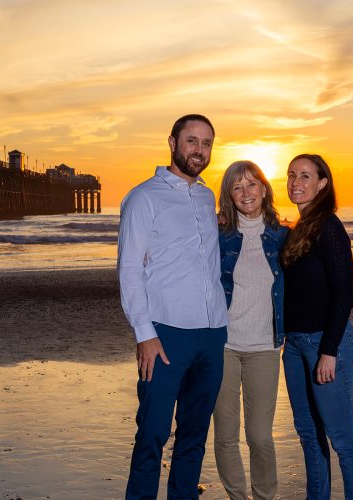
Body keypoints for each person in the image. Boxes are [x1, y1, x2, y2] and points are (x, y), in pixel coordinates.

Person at [117, 114, 228, 500]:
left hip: (213, 334)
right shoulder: (143, 197)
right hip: (165, 333)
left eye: (207, 143)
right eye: (192, 141)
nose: (199, 150)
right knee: (152, 433)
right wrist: (144, 335)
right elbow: (130, 269)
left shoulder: (206, 196)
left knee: (194, 436)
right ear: (172, 142)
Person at [281, 154, 353, 499]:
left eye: (305, 176)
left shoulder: (329, 227)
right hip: (294, 347)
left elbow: (344, 296)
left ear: (322, 183)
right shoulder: (297, 230)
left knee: (343, 438)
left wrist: (329, 352)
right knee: (307, 432)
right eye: (291, 175)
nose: (296, 182)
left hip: (326, 345)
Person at [214, 160, 288, 500]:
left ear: (264, 188)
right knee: (226, 435)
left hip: (265, 348)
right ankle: (236, 496)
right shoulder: (218, 235)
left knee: (260, 435)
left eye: (252, 184)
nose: (246, 192)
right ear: (229, 195)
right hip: (224, 346)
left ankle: (264, 496)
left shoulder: (283, 236)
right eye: (237, 186)